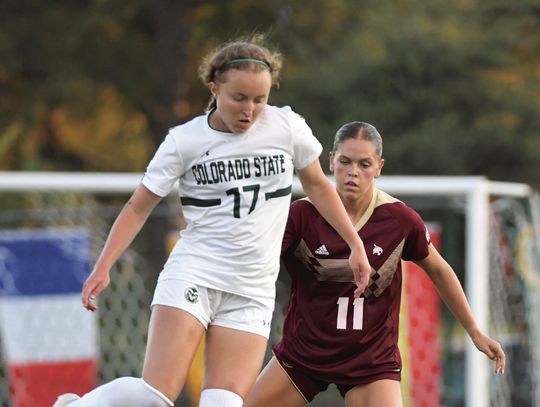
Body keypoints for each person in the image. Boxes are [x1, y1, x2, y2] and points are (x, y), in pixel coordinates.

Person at [52, 35, 371, 407]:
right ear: (214, 87)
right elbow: (139, 206)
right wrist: (103, 266)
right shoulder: (183, 141)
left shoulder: (286, 128)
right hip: (195, 274)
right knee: (155, 397)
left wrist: (355, 243)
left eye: (259, 99)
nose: (249, 109)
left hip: (252, 290)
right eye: (239, 98)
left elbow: (318, 185)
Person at [244, 121, 506, 407]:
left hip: (370, 361)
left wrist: (475, 331)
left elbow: (440, 270)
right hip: (304, 353)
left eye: (364, 164)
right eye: (345, 161)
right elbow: (255, 264)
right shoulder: (300, 215)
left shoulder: (399, 220)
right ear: (331, 161)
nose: (353, 172)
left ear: (379, 167)